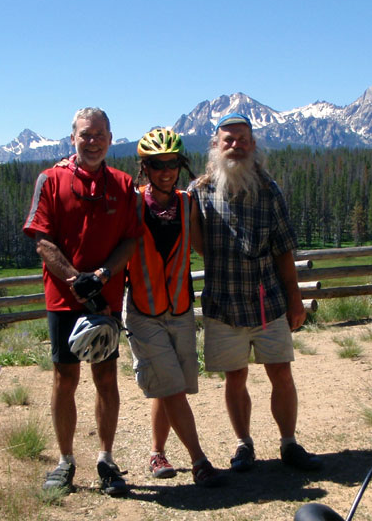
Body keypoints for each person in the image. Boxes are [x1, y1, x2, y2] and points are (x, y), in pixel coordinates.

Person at [189, 113, 322, 474]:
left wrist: (295, 300)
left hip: (268, 301)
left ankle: (289, 443)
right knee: (235, 376)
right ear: (216, 146)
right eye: (228, 140)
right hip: (223, 302)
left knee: (281, 372)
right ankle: (243, 444)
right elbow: (196, 244)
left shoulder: (268, 189)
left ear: (253, 145)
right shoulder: (199, 192)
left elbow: (283, 250)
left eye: (243, 139)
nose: (236, 145)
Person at [22, 107, 143, 496]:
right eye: (85, 135)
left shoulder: (123, 185)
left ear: (110, 138)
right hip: (63, 300)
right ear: (72, 137)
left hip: (104, 302)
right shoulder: (51, 180)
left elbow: (131, 239)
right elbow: (41, 239)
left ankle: (106, 460)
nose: (92, 142)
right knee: (65, 378)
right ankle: (65, 461)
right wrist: (75, 279)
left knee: (106, 378)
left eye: (100, 135)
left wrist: (103, 277)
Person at [123, 128, 222, 487]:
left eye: (172, 164)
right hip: (144, 311)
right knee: (172, 386)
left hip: (180, 309)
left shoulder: (186, 202)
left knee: (169, 385)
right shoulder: (132, 203)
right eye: (157, 165)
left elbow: (200, 245)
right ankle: (199, 461)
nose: (166, 171)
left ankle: (156, 451)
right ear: (144, 168)